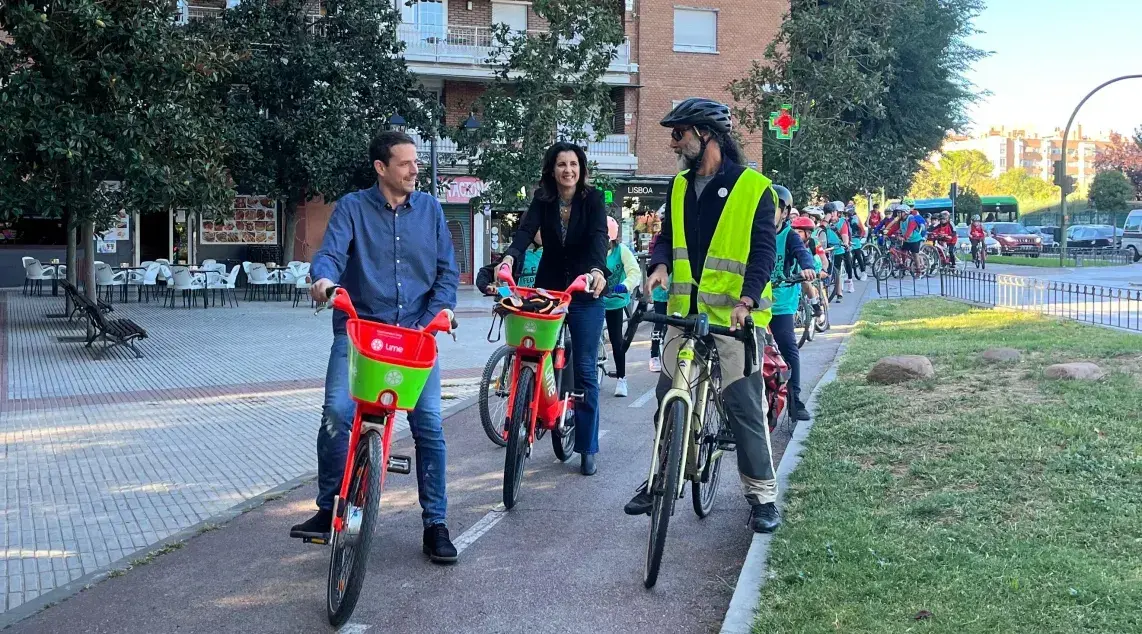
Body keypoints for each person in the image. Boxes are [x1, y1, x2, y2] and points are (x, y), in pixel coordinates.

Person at [296, 130, 460, 563]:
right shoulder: (352, 207)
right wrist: (325, 283)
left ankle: (436, 525)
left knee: (429, 426)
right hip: (360, 334)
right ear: (381, 168)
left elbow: (447, 273)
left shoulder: (431, 210)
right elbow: (329, 255)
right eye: (405, 164)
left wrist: (435, 318)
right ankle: (328, 505)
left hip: (416, 338)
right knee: (336, 414)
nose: (414, 171)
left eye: (416, 163)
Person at [624, 98, 782, 534]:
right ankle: (662, 476)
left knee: (744, 406)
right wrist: (658, 266)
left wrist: (747, 301)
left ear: (706, 135)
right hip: (683, 314)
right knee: (667, 396)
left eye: (680, 133)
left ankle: (762, 496)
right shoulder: (678, 185)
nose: (674, 141)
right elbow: (667, 239)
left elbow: (763, 252)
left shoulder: (753, 187)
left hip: (733, 318)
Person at [500, 141, 609, 477]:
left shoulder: (592, 199)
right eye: (561, 164)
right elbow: (523, 233)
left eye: (573, 164)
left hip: (585, 290)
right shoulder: (542, 199)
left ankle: (587, 445)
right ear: (552, 169)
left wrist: (596, 271)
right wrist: (508, 257)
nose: (568, 170)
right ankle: (535, 406)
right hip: (548, 289)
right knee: (534, 352)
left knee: (587, 369)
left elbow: (599, 237)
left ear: (582, 169)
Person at [769, 185, 819, 422]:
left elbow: (801, 252)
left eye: (773, 208)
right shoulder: (754, 232)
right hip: (754, 303)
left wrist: (807, 267)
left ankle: (795, 399)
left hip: (780, 304)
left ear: (785, 213)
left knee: (789, 348)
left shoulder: (789, 235)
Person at [603, 216, 642, 397]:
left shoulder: (621, 251)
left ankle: (621, 379)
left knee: (616, 340)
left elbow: (634, 272)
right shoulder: (593, 250)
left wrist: (625, 285)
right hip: (594, 300)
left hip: (614, 300)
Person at [846, 205, 867, 279]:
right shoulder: (847, 219)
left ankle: (863, 272)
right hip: (848, 239)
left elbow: (862, 230)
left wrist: (860, 236)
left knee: (858, 255)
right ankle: (847, 273)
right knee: (846, 256)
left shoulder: (856, 218)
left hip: (856, 238)